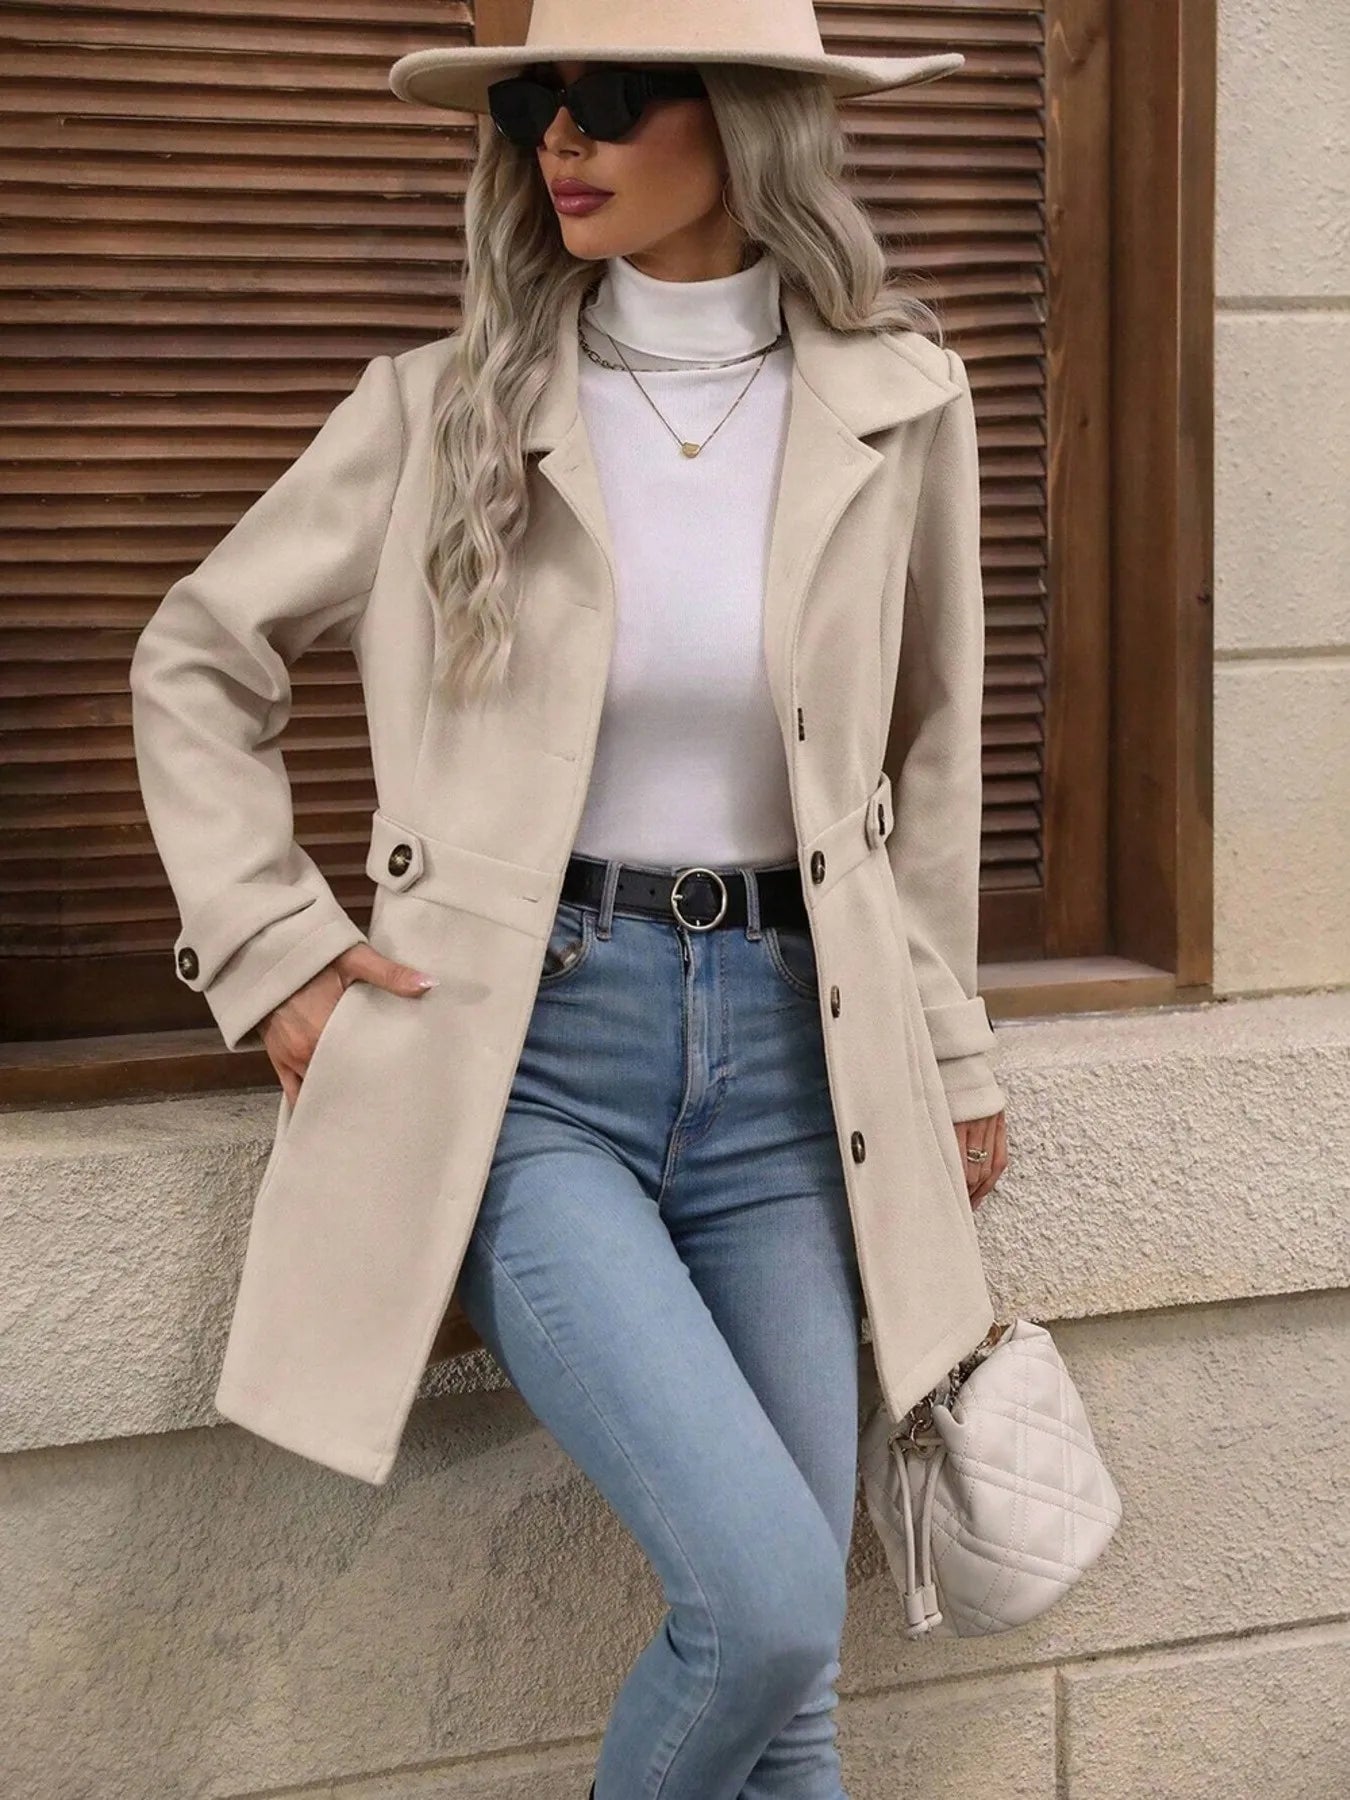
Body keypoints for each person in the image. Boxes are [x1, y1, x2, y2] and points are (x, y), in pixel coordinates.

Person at [132, 6, 1008, 1796]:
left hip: (794, 1064)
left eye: (609, 97)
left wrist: (951, 1044)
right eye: (537, 101)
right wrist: (274, 946)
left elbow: (929, 753)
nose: (560, 138)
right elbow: (198, 655)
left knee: (798, 1681)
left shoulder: (896, 397)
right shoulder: (441, 405)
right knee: (762, 1604)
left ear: (749, 120)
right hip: (529, 1066)